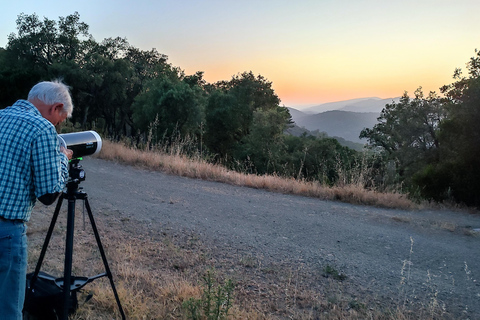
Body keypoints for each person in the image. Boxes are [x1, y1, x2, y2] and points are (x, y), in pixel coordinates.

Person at [0, 80, 73, 319]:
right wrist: (63, 158)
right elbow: (49, 195)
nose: (56, 126)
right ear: (56, 107)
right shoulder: (42, 129)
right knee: (8, 308)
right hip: (6, 230)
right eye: (59, 121)